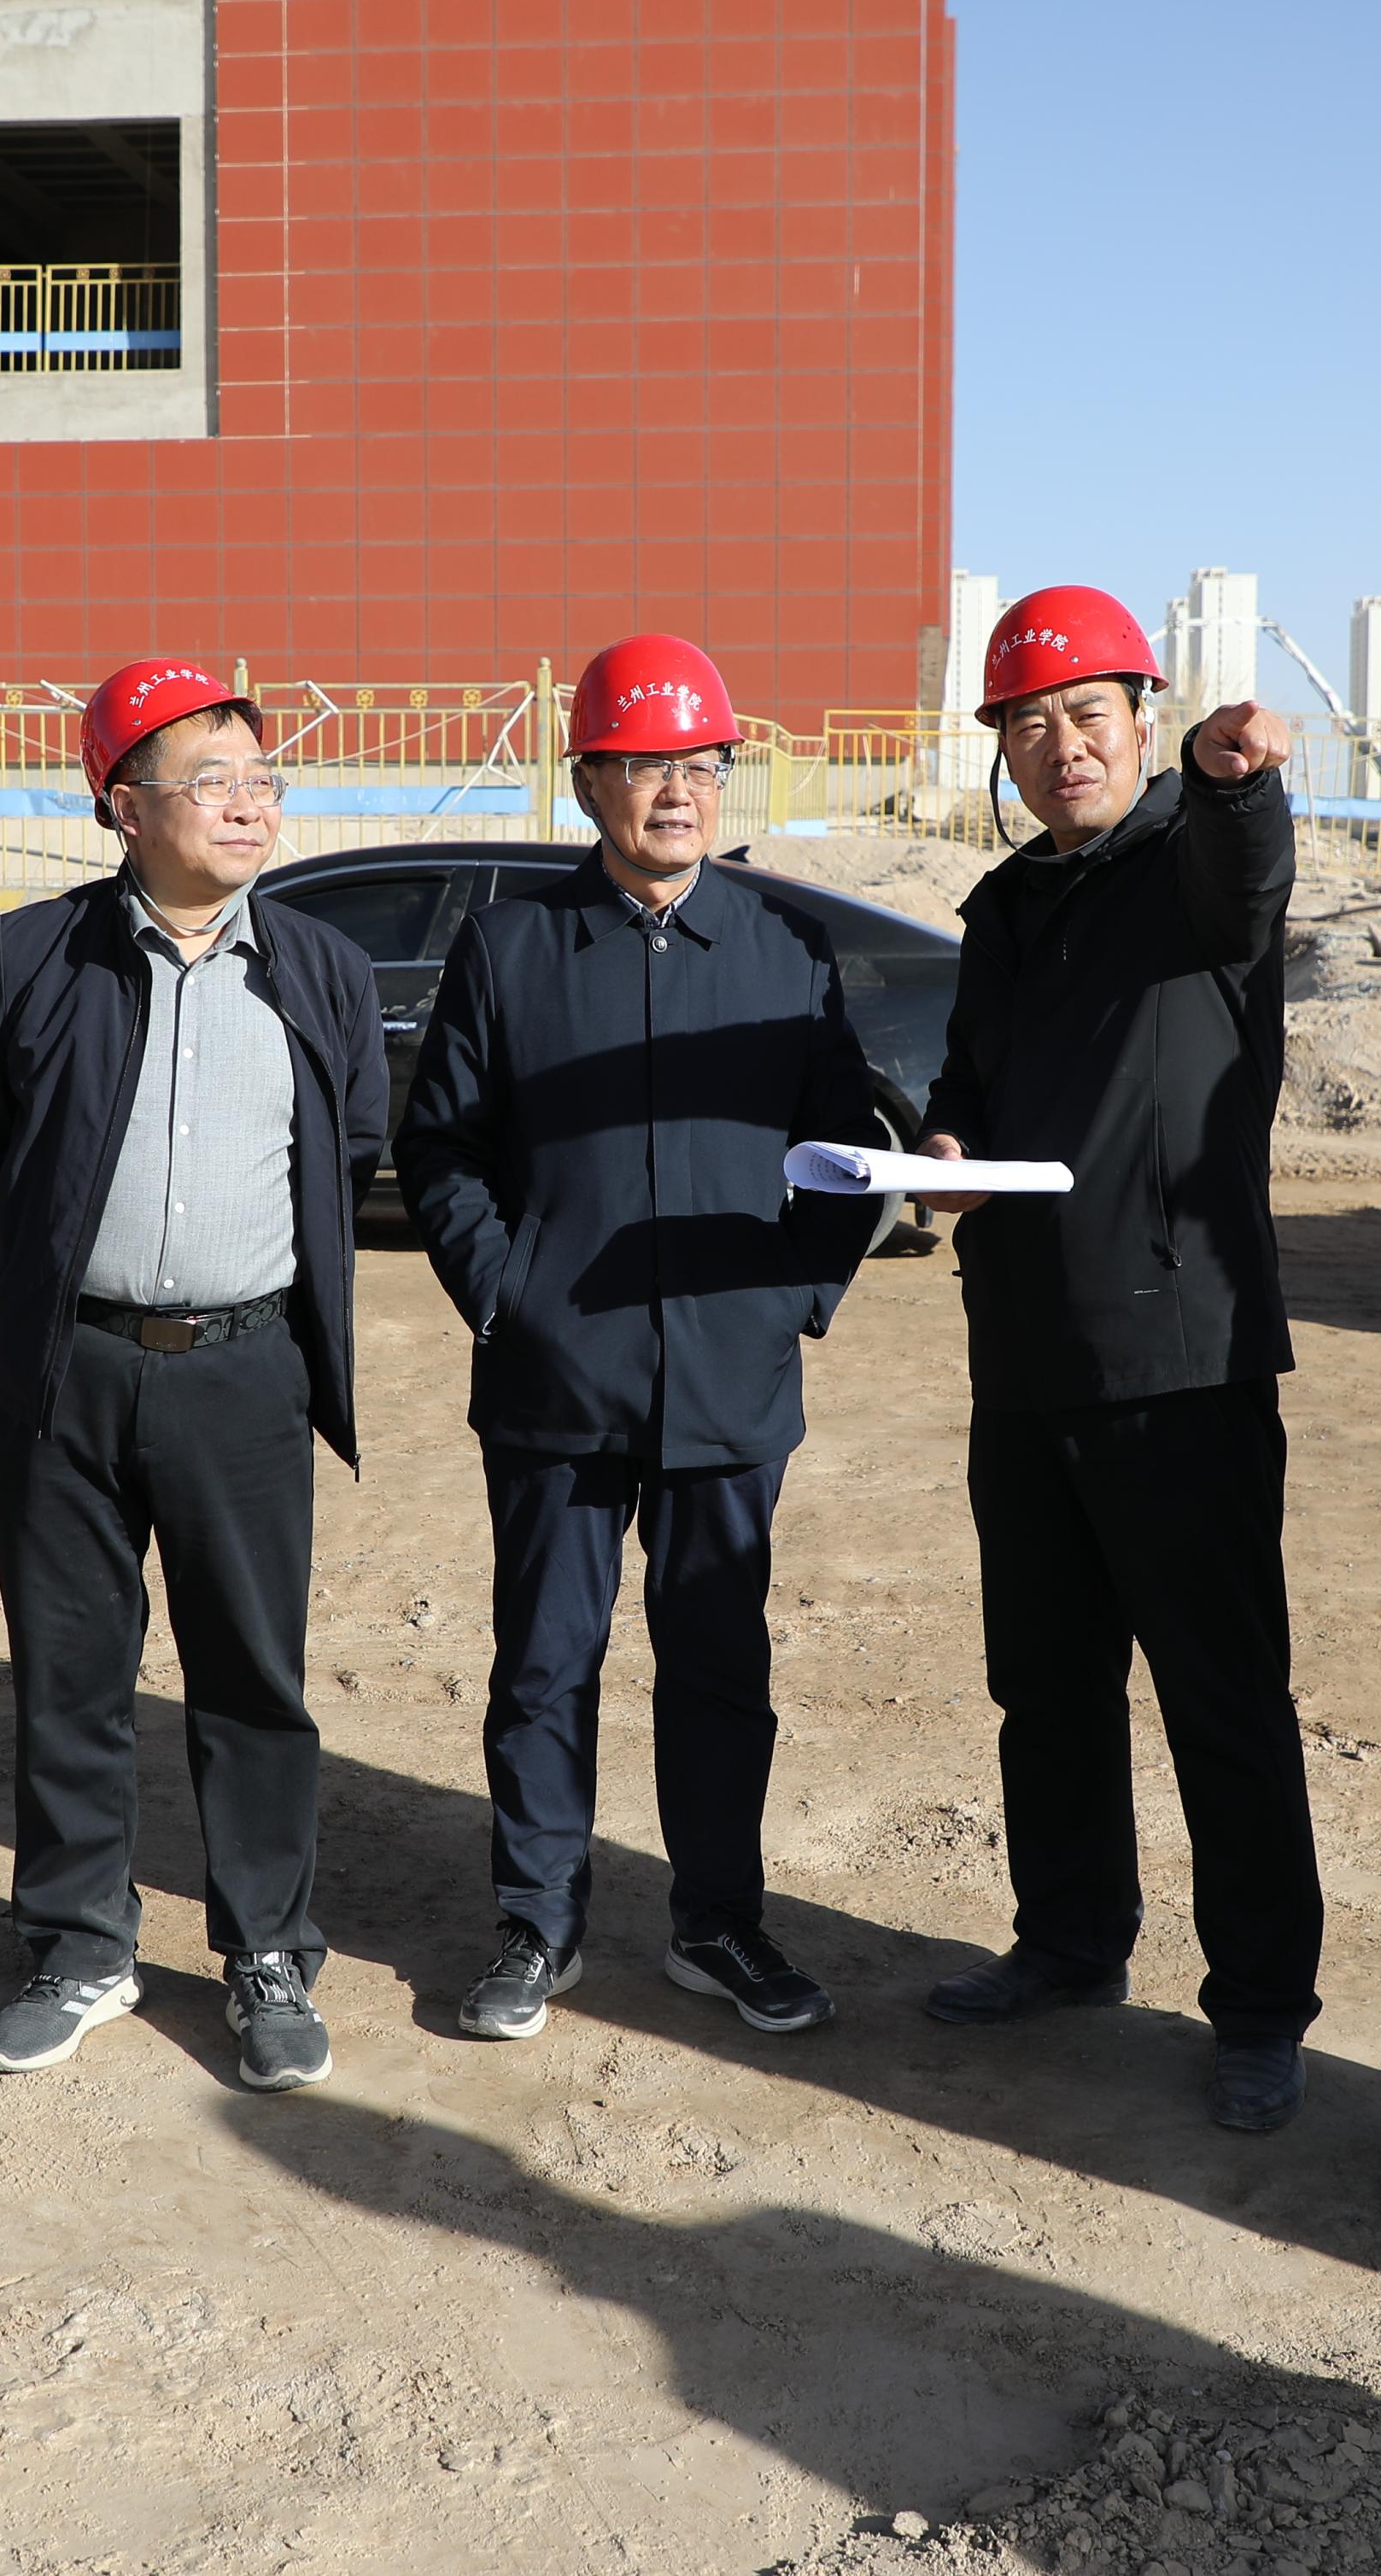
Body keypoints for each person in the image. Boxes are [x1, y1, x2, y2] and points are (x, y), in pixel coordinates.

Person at [396, 633, 887, 2042]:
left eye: (702, 763)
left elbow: (844, 1148)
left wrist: (795, 1298)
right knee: (544, 1662)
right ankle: (537, 1923)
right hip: (556, 1379)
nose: (679, 789)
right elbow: (441, 1150)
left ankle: (718, 1923)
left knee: (721, 1666)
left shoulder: (785, 950)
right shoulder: (512, 948)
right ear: (587, 779)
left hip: (731, 1380)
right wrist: (509, 1295)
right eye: (646, 763)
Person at [0, 660, 387, 2089]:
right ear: (125, 808)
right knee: (70, 1669)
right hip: (67, 1371)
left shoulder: (319, 967)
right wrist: (70, 1263)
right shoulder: (32, 955)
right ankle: (79, 1943)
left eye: (262, 779)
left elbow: (352, 1142)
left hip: (246, 1373)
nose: (249, 805)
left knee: (253, 1675)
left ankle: (267, 1950)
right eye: (212, 781)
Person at [904, 583, 1326, 2135]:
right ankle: (1073, 1937)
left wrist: (1237, 780)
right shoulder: (1007, 907)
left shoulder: (1190, 873)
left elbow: (1248, 869)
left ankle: (1261, 2005)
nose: (1060, 746)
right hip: (1024, 1353)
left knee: (1222, 1694)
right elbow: (969, 1079)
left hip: (1181, 1362)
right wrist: (946, 1147)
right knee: (1047, 1682)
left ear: (1142, 720)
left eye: (1087, 716)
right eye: (1028, 726)